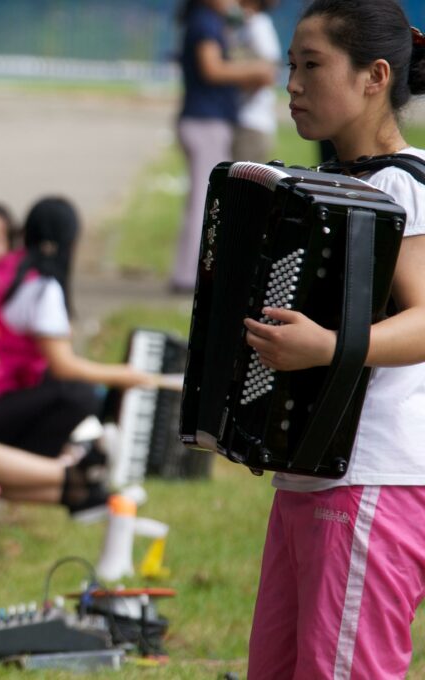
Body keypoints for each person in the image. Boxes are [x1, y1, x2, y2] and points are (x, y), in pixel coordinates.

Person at [243, 2, 425, 678]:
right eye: (291, 65)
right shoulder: (337, 183)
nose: (292, 84)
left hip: (371, 476)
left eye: (312, 65)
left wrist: (328, 347)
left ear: (375, 75)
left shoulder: (402, 184)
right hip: (313, 476)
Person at [0, 198, 161, 458]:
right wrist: (123, 374)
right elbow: (64, 365)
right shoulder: (43, 287)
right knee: (78, 395)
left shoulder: (4, 268)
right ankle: (27, 464)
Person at [170, 0, 276, 292]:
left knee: (203, 200)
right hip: (205, 121)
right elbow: (212, 69)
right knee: (204, 203)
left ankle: (190, 272)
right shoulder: (205, 21)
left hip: (206, 121)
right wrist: (254, 70)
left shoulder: (208, 20)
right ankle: (187, 276)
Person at [231, 0, 282, 162]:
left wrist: (234, 79)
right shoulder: (247, 24)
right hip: (245, 120)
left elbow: (270, 72)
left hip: (253, 121)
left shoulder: (259, 25)